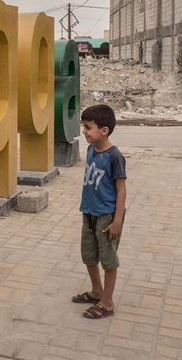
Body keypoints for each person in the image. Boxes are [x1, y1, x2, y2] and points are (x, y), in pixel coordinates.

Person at [71, 104, 127, 319]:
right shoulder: (91, 149)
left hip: (107, 217)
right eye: (83, 126)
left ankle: (107, 302)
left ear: (104, 130)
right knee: (89, 256)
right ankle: (96, 291)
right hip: (89, 213)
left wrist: (117, 221)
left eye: (88, 127)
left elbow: (121, 190)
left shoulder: (115, 156)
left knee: (109, 260)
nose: (84, 131)